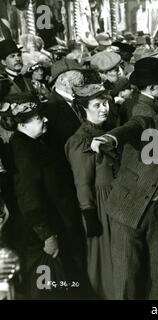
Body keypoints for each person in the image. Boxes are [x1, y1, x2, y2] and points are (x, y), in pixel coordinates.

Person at [90, 88, 158, 299]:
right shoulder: (144, 123)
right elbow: (126, 130)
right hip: (127, 211)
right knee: (126, 279)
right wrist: (108, 139)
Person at [0, 93, 86, 299]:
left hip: (54, 228)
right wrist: (47, 236)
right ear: (22, 124)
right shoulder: (24, 153)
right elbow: (28, 200)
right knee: (49, 290)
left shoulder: (33, 143)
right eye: (38, 118)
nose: (45, 119)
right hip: (41, 239)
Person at [64, 72, 116, 299]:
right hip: (99, 206)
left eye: (105, 103)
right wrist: (89, 213)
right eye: (97, 105)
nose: (104, 108)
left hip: (115, 200)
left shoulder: (109, 130)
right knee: (103, 260)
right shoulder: (80, 141)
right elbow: (82, 182)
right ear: (85, 108)